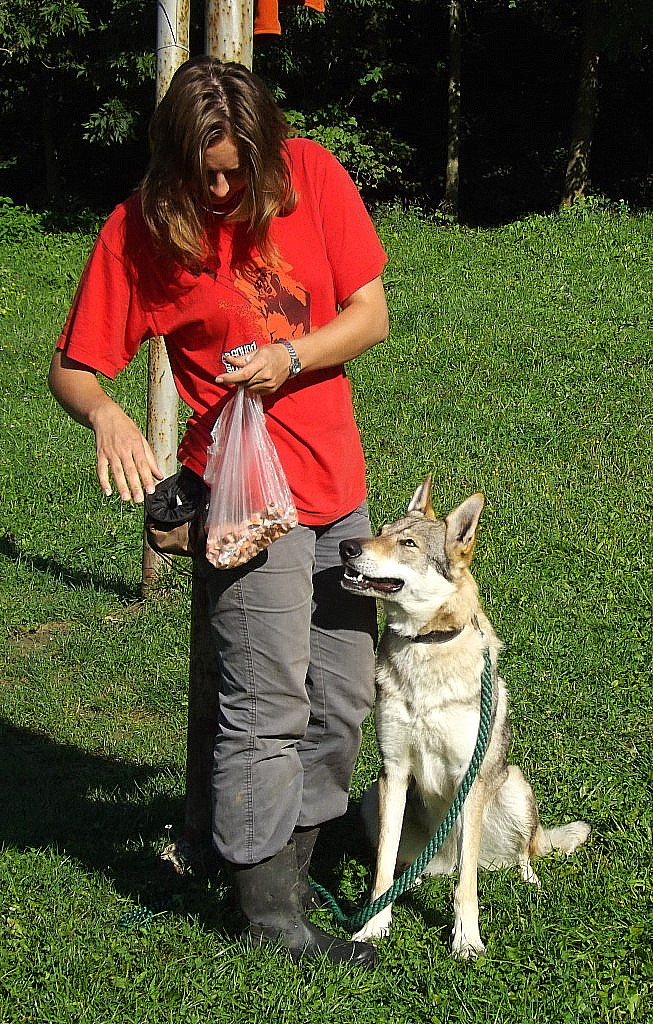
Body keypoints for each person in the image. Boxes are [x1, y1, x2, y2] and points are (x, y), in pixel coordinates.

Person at [48, 57, 388, 970]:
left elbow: (370, 315)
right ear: (175, 166)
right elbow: (73, 368)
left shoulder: (313, 174)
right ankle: (268, 909)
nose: (229, 189)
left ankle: (298, 850)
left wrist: (293, 356)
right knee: (265, 698)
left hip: (336, 486)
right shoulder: (139, 232)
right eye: (210, 176)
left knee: (344, 693)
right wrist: (108, 414)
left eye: (241, 170)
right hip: (244, 506)